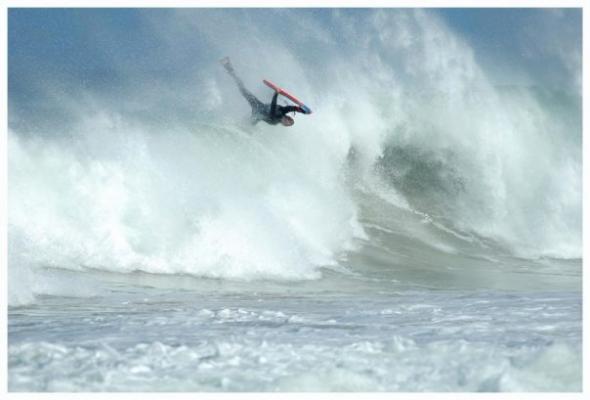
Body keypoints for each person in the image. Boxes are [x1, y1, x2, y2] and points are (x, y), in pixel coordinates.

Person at [221, 57, 305, 127]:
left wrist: (276, 93)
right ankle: (230, 69)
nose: (286, 122)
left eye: (286, 124)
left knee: (248, 124)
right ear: (288, 118)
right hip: (260, 105)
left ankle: (239, 126)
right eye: (289, 121)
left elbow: (272, 106)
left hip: (257, 111)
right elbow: (290, 108)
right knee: (244, 90)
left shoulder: (275, 119)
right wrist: (301, 110)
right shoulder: (283, 111)